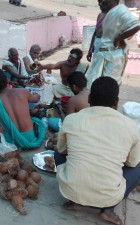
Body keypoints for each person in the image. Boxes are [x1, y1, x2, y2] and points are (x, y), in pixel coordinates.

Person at [55, 77, 140, 225]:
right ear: (116, 102)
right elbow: (131, 162)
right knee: (137, 165)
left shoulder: (72, 120)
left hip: (70, 189)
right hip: (109, 196)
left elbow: (61, 150)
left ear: (89, 98)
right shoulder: (131, 127)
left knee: (58, 152)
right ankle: (108, 209)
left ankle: (76, 200)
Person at [85, 0, 140, 89]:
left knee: (109, 82)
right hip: (100, 51)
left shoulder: (120, 11)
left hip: (112, 54)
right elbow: (96, 33)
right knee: (96, 78)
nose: (101, 3)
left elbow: (136, 26)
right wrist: (90, 50)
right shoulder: (101, 15)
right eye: (99, 1)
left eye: (103, 0)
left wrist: (119, 38)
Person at [0, 69, 46, 150]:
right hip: (30, 138)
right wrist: (36, 95)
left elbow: (1, 120)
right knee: (36, 120)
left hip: (12, 142)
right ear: (7, 80)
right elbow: (35, 99)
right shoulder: (22, 91)